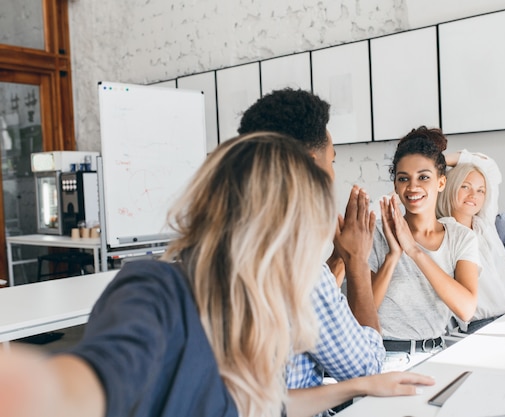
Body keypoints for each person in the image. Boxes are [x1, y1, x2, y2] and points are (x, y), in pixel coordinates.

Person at [0, 133, 435, 417]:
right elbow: (75, 388)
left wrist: (361, 386)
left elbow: (261, 406)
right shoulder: (157, 290)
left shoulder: (251, 299)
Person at [238, 88, 384, 392]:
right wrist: (357, 261)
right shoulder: (298, 270)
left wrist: (338, 259)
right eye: (331, 161)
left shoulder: (221, 250)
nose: (332, 174)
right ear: (308, 162)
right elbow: (367, 369)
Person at [369, 126, 480, 353]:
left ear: (441, 182)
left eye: (424, 177)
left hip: (435, 354)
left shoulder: (461, 238)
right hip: (382, 354)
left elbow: (466, 309)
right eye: (403, 179)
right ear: (395, 186)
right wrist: (394, 255)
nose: (412, 187)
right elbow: (364, 312)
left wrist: (414, 251)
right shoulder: (376, 234)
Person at [436, 150, 505, 333]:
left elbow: (489, 168)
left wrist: (437, 160)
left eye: (480, 190)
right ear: (450, 187)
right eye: (465, 187)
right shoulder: (444, 232)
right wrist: (429, 166)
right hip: (482, 325)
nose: (474, 194)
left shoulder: (485, 224)